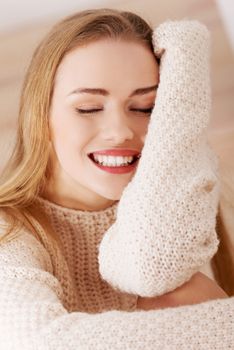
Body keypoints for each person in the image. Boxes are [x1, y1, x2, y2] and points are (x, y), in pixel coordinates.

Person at [0, 8, 233, 349]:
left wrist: (188, 59)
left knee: (178, 291)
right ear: (41, 118)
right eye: (89, 108)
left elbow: (154, 266)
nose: (120, 132)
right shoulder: (9, 231)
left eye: (145, 108)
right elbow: (38, 342)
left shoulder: (177, 204)